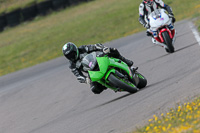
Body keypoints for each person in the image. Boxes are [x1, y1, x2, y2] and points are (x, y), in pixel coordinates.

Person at [62, 42, 134, 94]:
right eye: (68, 56)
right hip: (93, 72)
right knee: (95, 89)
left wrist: (103, 48)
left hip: (99, 59)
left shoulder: (83, 49)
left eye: (72, 54)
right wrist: (85, 79)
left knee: (112, 50)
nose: (71, 56)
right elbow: (78, 75)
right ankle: (110, 84)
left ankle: (125, 60)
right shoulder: (72, 65)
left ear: (75, 50)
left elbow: (95, 46)